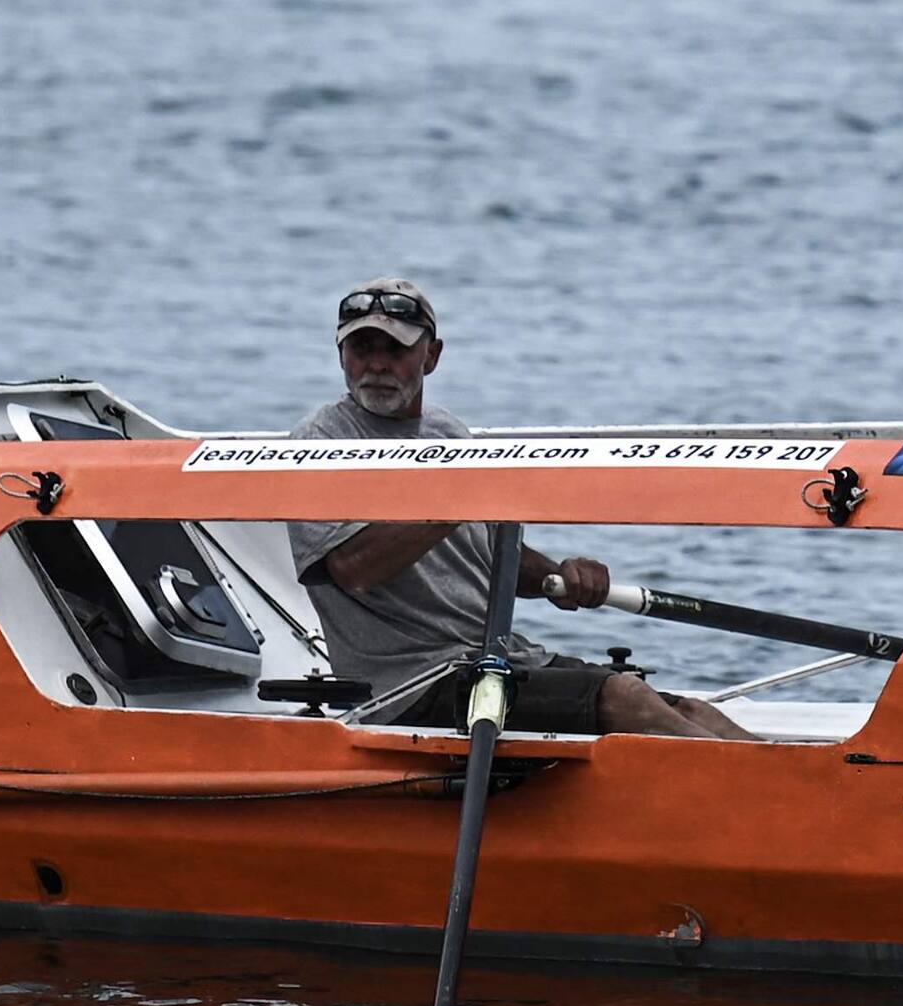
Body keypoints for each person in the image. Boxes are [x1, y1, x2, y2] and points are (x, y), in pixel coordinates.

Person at [282, 279, 749, 741]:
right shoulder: (321, 441)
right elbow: (353, 569)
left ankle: (783, 778)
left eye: (395, 349)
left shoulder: (447, 433)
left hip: (496, 661)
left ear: (431, 356)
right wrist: (463, 496)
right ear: (340, 354)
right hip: (407, 689)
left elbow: (493, 555)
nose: (377, 364)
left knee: (692, 709)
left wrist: (561, 576)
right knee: (624, 697)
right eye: (362, 348)